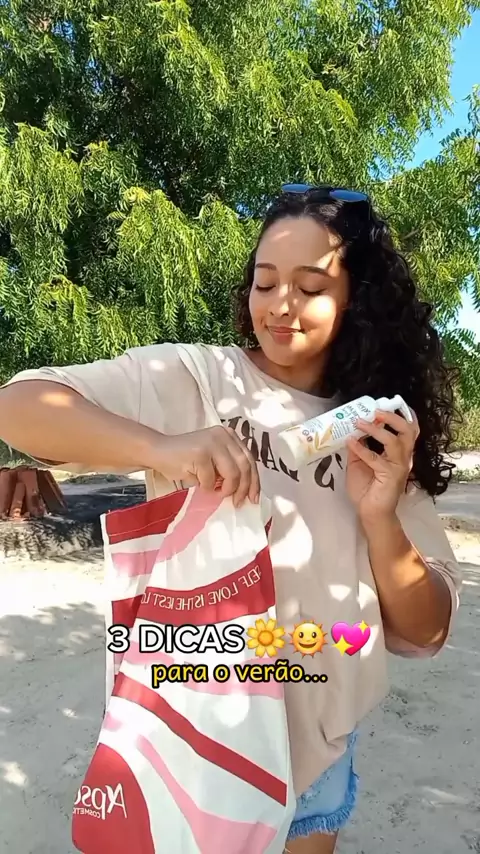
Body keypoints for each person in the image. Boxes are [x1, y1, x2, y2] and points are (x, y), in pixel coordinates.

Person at [0, 183, 461, 854]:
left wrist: (380, 515)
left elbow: (426, 630)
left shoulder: (376, 432)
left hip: (316, 756)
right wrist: (160, 447)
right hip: (191, 740)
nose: (280, 305)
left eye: (310, 287)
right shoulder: (196, 379)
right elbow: (18, 405)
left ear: (356, 299)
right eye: (265, 282)